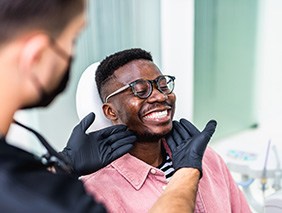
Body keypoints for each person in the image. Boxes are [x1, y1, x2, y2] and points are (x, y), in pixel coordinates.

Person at [0, 1, 216, 212]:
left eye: (162, 85)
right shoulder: (84, 193)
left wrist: (62, 164)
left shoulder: (210, 160)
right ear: (36, 55)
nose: (158, 96)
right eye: (73, 40)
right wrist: (188, 171)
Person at [81, 48, 251, 213]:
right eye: (140, 91)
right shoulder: (96, 193)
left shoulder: (207, 158)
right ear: (111, 111)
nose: (160, 96)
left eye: (163, 86)